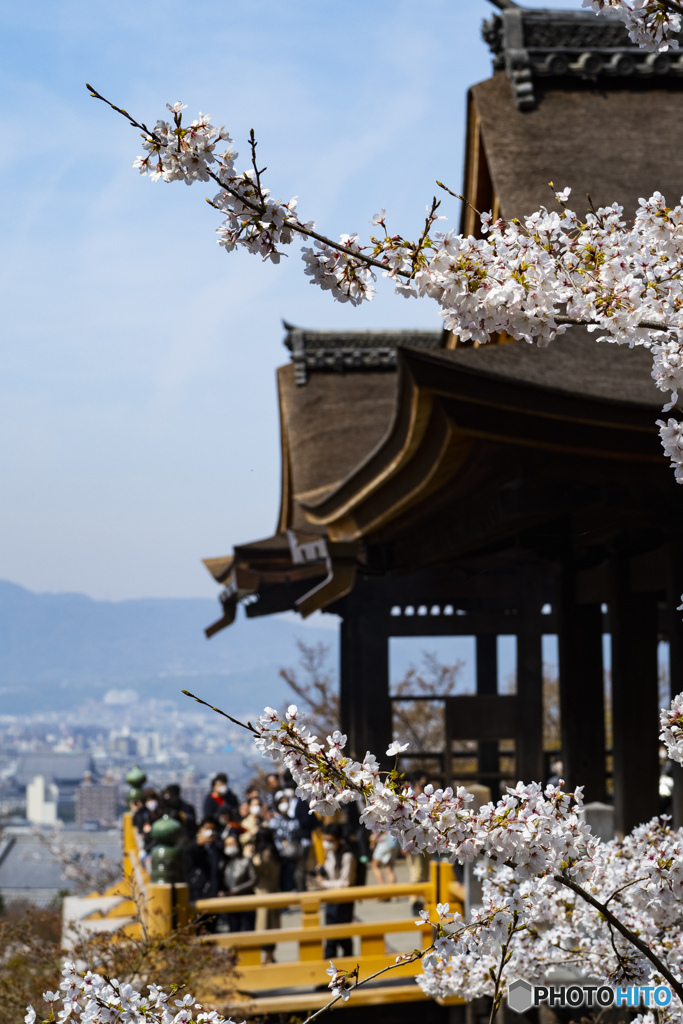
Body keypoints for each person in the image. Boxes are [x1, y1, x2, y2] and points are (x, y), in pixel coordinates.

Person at [313, 823, 357, 959]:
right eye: (325, 840)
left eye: (330, 841)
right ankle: (329, 978)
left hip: (343, 902)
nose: (327, 844)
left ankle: (347, 976)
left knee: (344, 939)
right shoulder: (330, 853)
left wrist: (324, 883)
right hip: (331, 900)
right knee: (330, 940)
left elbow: (345, 882)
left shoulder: (347, 856)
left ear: (338, 839)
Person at [185, 818, 225, 933]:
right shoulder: (193, 847)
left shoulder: (217, 848)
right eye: (207, 828)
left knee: (212, 929)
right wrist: (198, 843)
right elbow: (188, 854)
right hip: (198, 894)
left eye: (213, 829)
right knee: (198, 929)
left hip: (213, 893)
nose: (210, 831)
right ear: (200, 829)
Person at [251, 827, 282, 963]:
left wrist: (250, 856)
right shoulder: (275, 852)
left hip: (263, 893)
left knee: (263, 927)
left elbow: (258, 868)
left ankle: (267, 957)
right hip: (274, 891)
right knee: (272, 926)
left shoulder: (264, 854)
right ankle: (271, 955)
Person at [221, 828, 257, 933]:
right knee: (234, 931)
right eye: (228, 844)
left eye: (233, 843)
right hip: (230, 903)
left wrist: (236, 890)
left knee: (249, 930)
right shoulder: (225, 864)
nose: (230, 847)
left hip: (246, 901)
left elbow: (254, 879)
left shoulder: (246, 861)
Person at [406, 770, 430, 915]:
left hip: (427, 839)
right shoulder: (409, 796)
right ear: (416, 782)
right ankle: (415, 902)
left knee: (426, 872)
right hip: (413, 839)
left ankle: (423, 900)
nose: (425, 783)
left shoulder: (427, 797)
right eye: (422, 781)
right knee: (417, 872)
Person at [268, 789, 302, 891]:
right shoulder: (273, 822)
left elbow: (298, 837)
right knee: (284, 882)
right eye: (281, 802)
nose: (284, 804)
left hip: (294, 855)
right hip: (280, 858)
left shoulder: (294, 820)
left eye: (286, 802)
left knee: (297, 880)